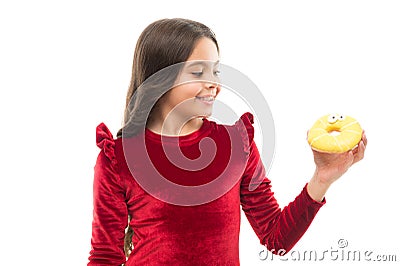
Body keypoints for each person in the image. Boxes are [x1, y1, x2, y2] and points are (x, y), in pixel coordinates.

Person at [88, 18, 367, 266]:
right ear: (159, 79)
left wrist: (322, 178)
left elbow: (275, 237)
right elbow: (104, 258)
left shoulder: (235, 144)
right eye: (198, 73)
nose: (214, 84)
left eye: (216, 71)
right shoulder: (118, 159)